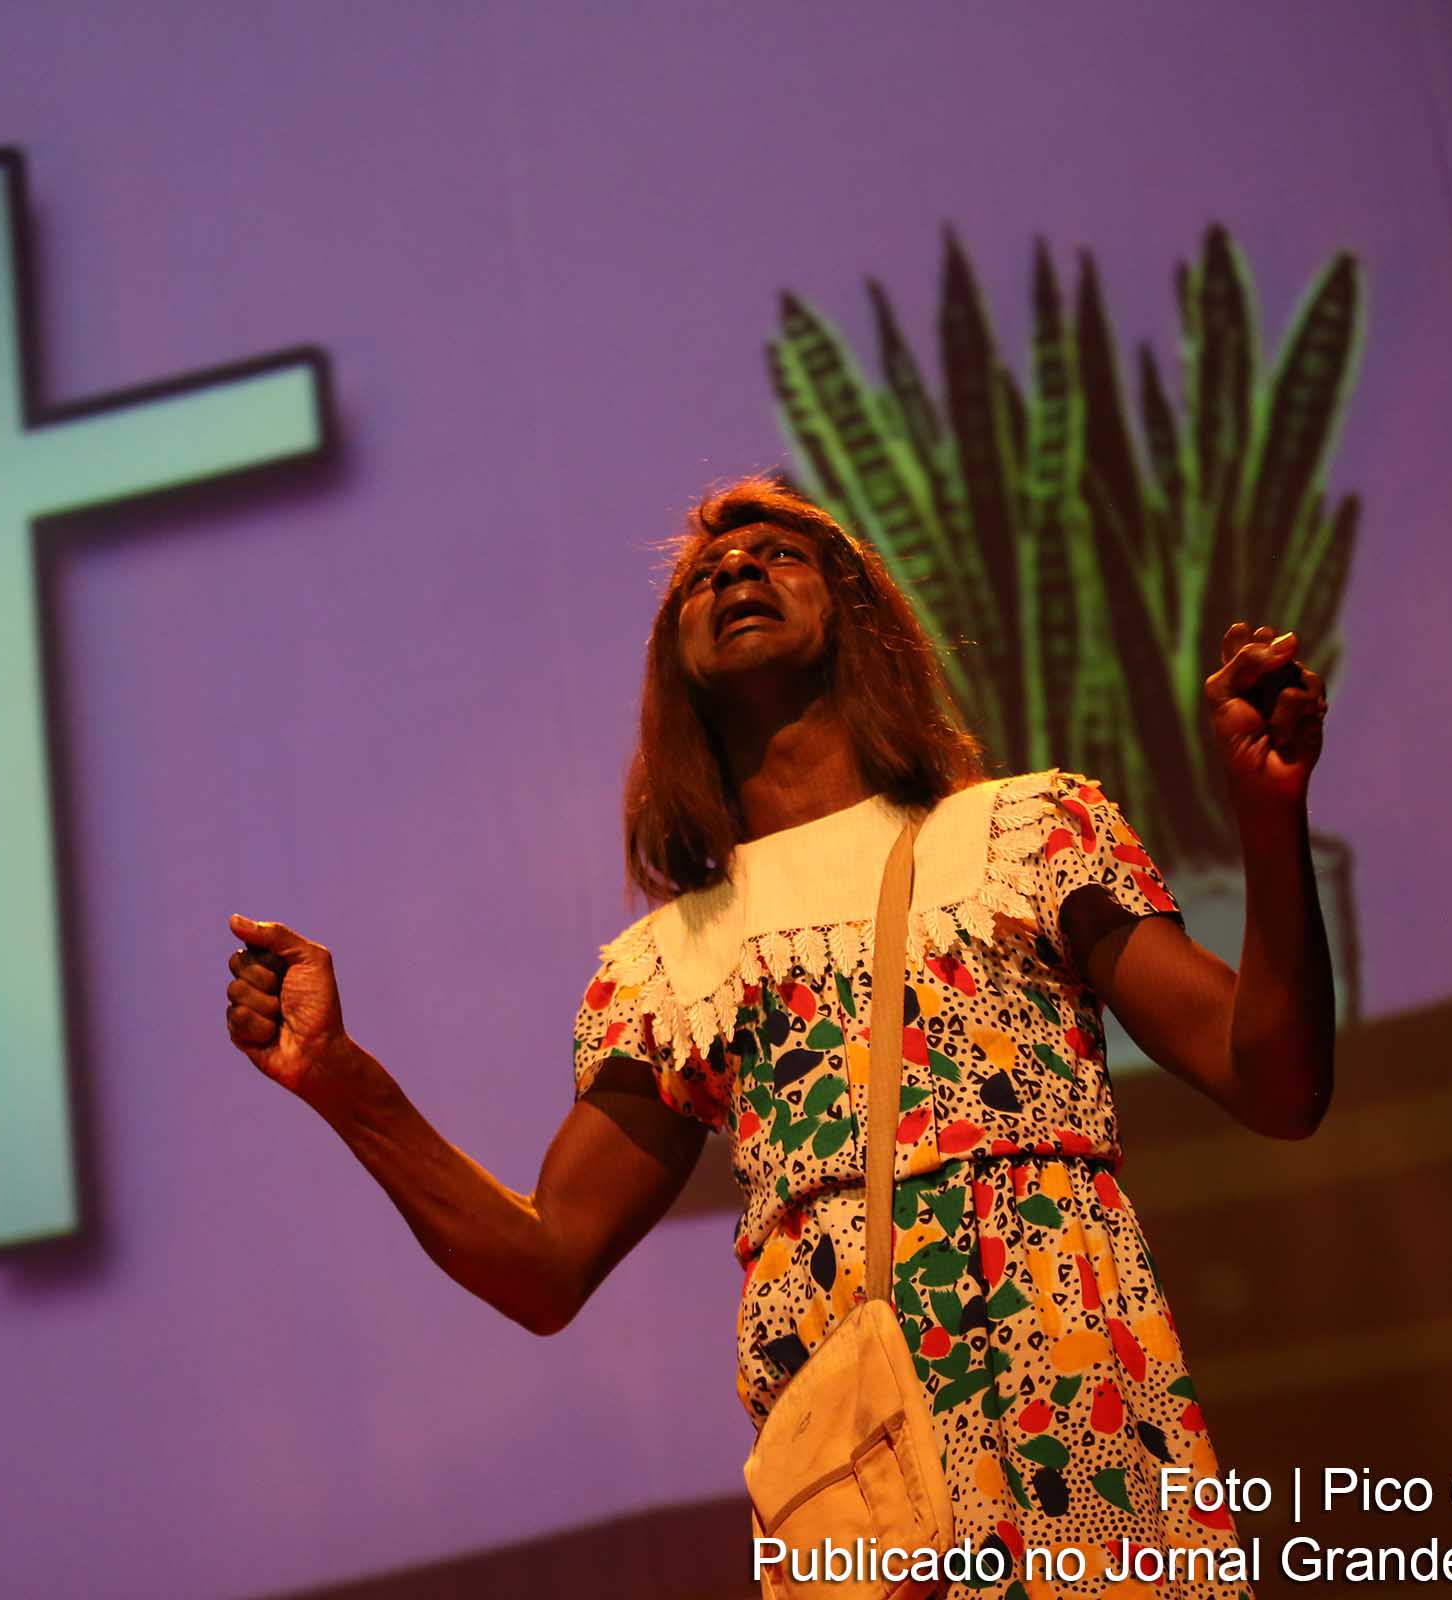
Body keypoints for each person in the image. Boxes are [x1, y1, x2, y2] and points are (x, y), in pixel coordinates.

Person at [223, 476, 1332, 1596]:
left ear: (857, 613)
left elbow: (1273, 1080)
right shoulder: (670, 964)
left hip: (1075, 1391)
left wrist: (1266, 817)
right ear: (674, 670)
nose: (737, 573)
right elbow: (545, 1264)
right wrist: (340, 1080)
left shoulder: (1022, 835)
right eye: (706, 576)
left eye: (776, 557)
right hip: (857, 1463)